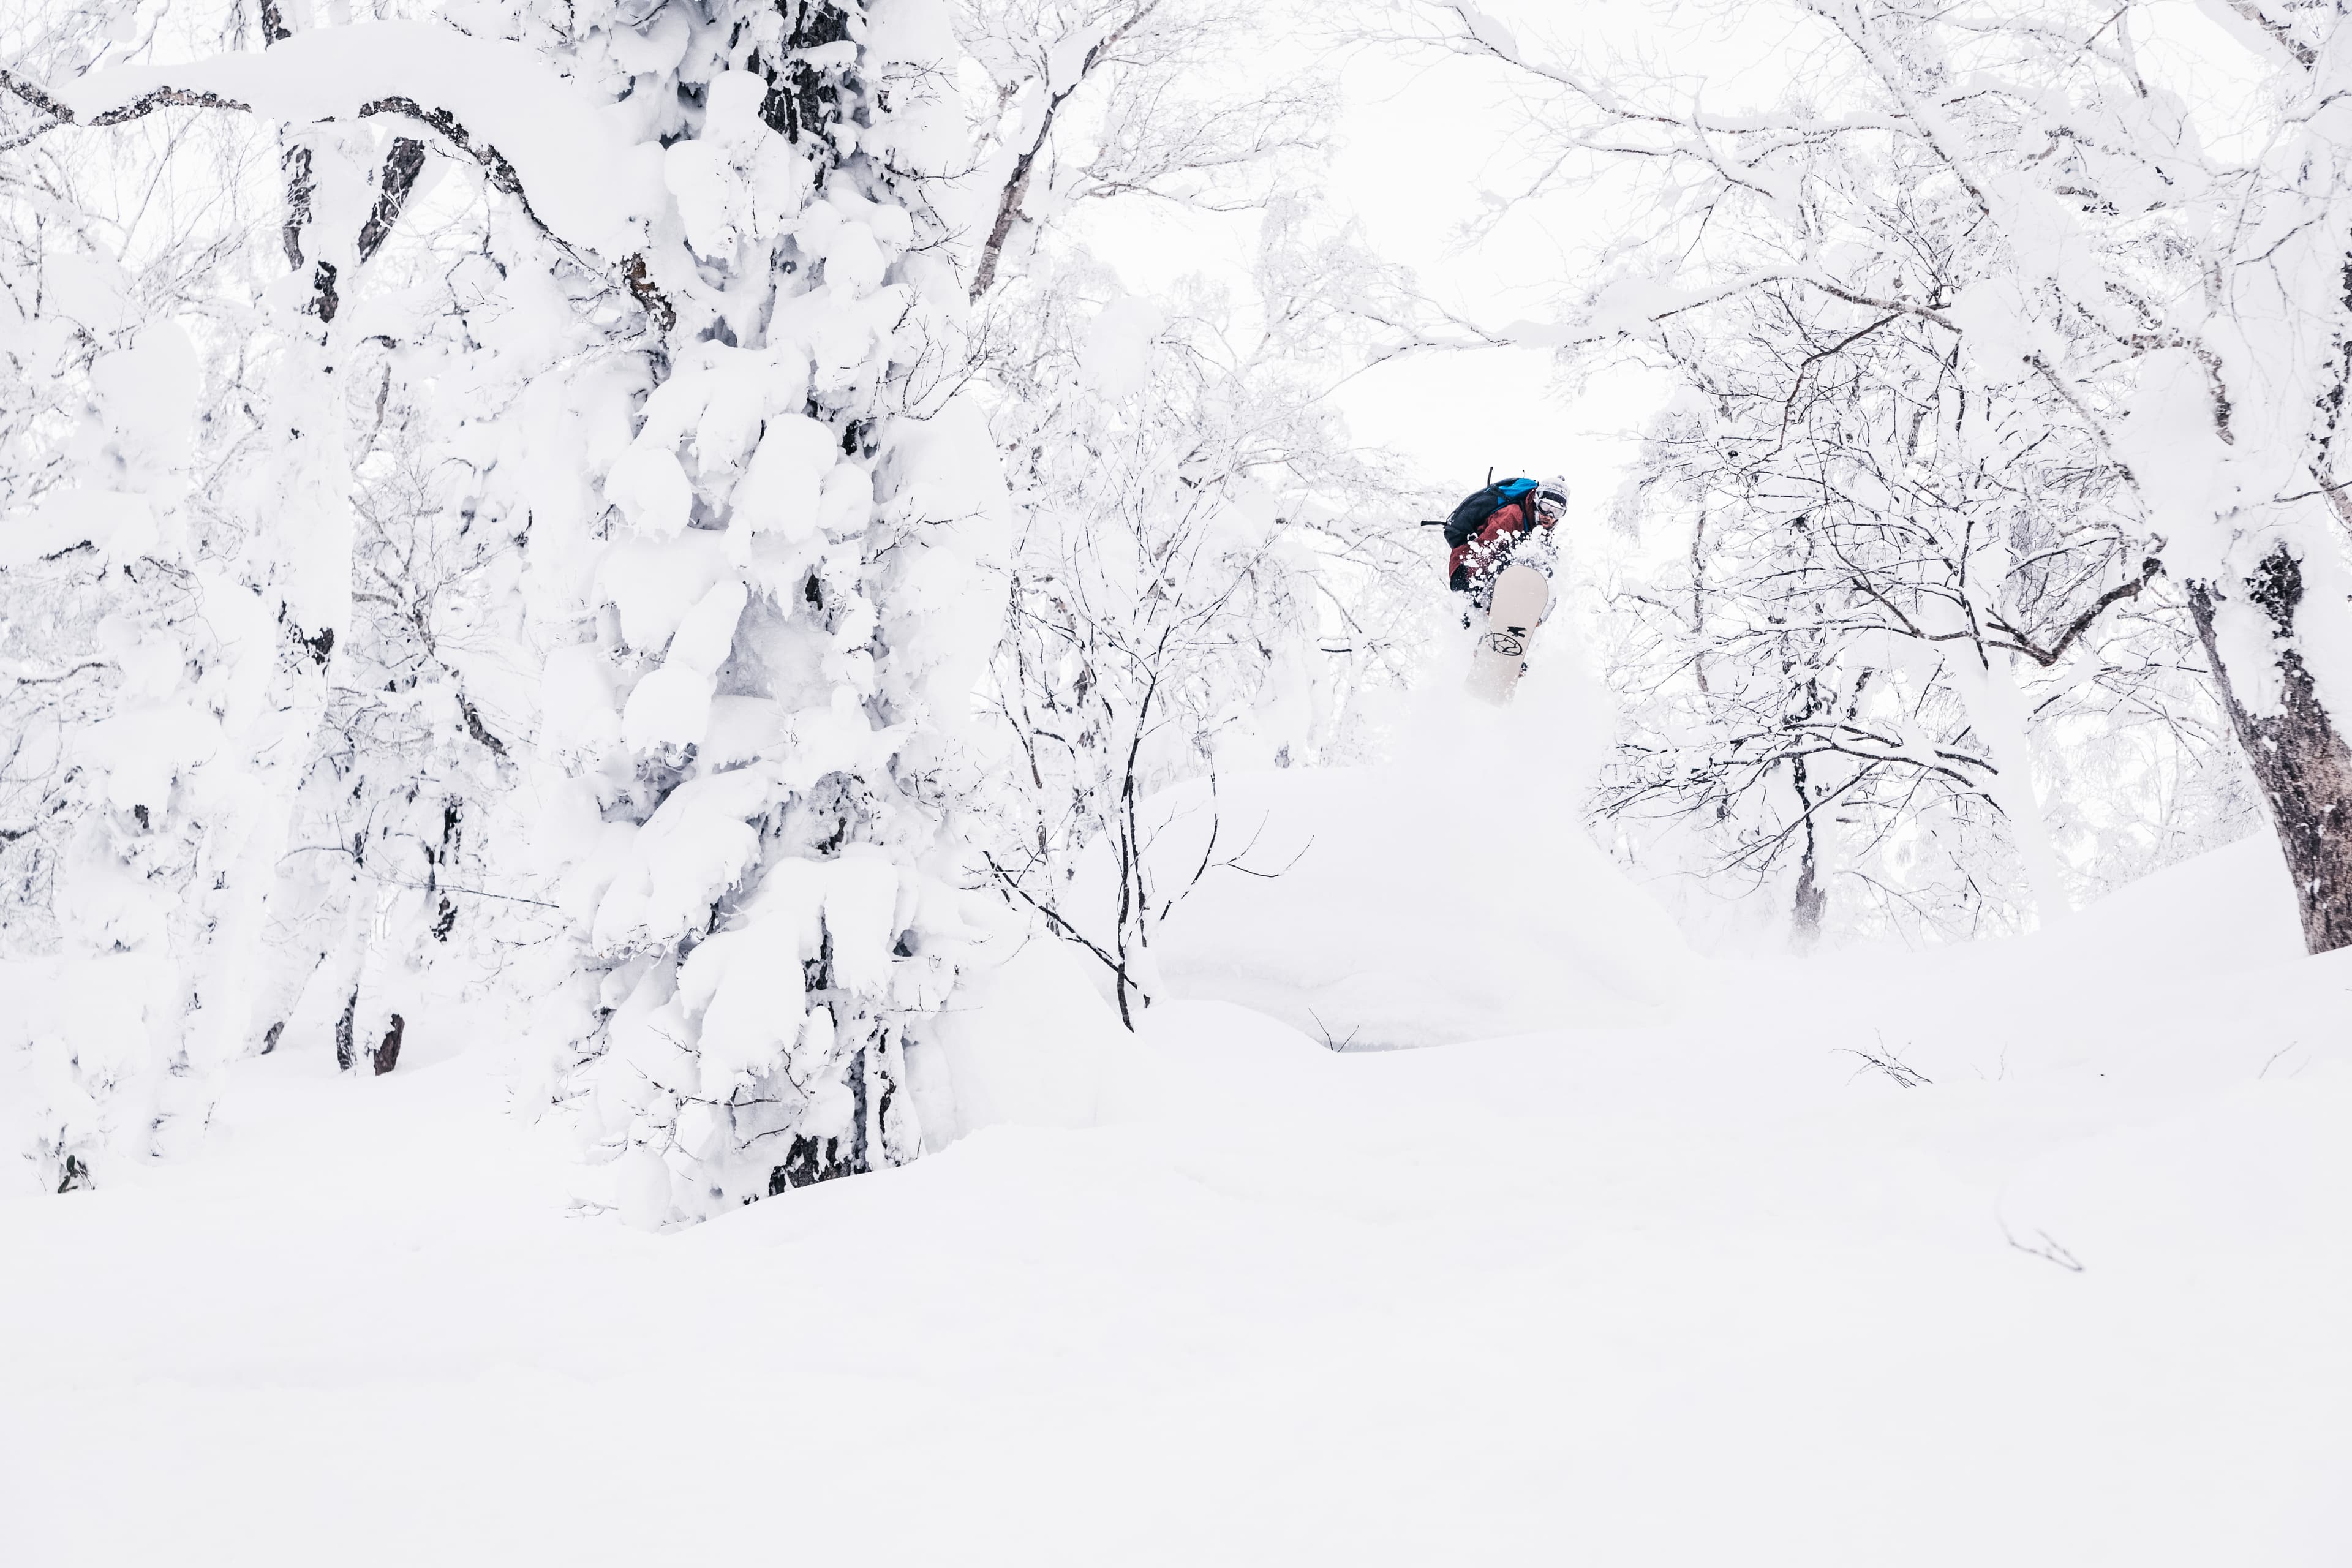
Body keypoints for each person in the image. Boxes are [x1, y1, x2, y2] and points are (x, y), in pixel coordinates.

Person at [1447, 475, 1567, 609]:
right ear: (1536, 501)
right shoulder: (1512, 516)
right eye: (1545, 507)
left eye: (1557, 512)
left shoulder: (1538, 530)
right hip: (1465, 570)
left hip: (1492, 578)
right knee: (1519, 554)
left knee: (1548, 559)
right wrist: (1467, 594)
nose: (1549, 516)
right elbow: (1485, 550)